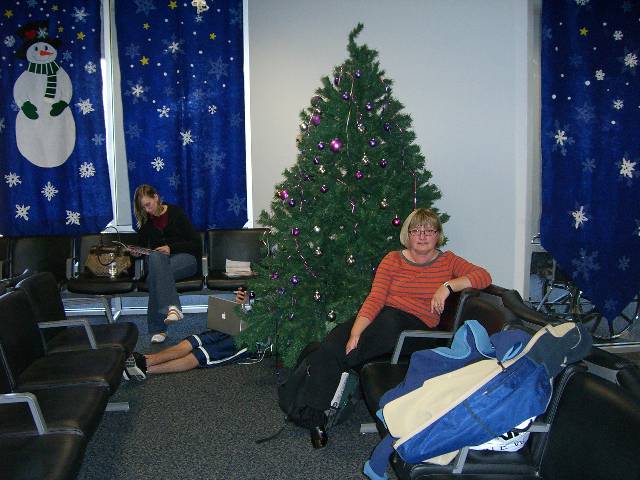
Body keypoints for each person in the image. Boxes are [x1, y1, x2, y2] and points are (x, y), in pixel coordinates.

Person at [301, 208, 492, 448]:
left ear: (438, 235)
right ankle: (315, 417)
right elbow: (375, 299)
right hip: (385, 319)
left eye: (429, 231)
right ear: (407, 235)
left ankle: (323, 384)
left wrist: (447, 286)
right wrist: (355, 332)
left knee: (364, 339)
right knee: (334, 342)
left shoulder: (448, 260)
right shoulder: (392, 259)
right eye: (416, 231)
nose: (422, 236)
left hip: (415, 330)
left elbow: (484, 276)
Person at [124, 290, 250, 380]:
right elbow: (250, 300)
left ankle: (145, 369)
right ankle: (147, 360)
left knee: (202, 354)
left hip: (252, 336)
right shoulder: (261, 280)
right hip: (241, 321)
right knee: (192, 342)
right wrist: (244, 301)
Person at [133, 184, 201, 344]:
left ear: (156, 197)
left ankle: (158, 329)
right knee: (156, 259)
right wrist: (136, 252)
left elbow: (196, 243)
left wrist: (171, 248)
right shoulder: (146, 222)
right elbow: (142, 246)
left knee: (155, 276)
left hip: (186, 259)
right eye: (144, 208)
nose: (147, 210)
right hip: (159, 263)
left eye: (148, 205)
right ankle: (172, 308)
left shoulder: (176, 213)